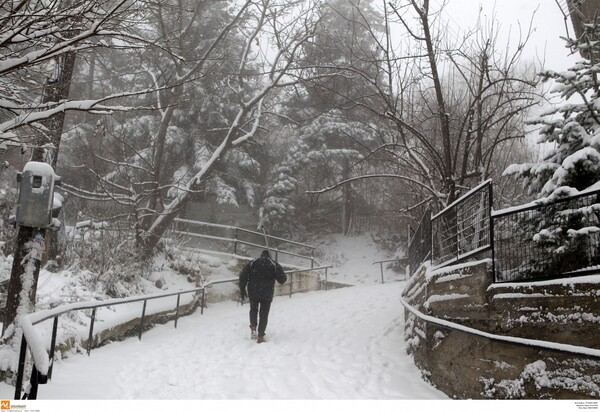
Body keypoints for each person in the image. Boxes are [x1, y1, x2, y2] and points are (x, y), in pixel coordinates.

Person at [239, 250, 287, 343]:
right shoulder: (273, 264)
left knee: (253, 310)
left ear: (261, 255)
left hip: (253, 291)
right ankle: (261, 335)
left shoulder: (253, 262)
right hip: (266, 293)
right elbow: (282, 279)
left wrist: (242, 289)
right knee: (264, 314)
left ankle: (253, 327)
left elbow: (243, 275)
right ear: (269, 256)